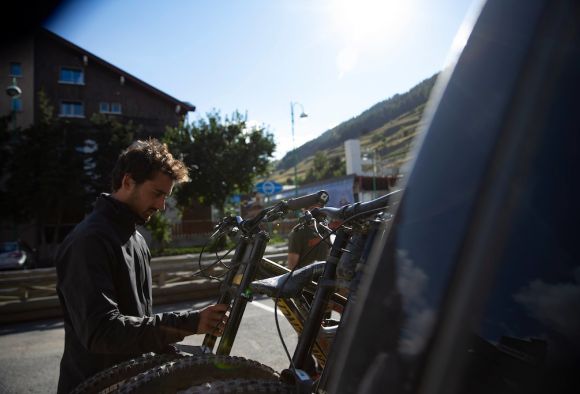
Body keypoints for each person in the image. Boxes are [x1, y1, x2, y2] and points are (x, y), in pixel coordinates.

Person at [55, 138, 228, 393]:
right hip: (95, 385)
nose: (161, 206)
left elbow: (139, 322)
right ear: (127, 182)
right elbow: (102, 331)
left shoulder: (136, 240)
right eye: (157, 194)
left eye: (165, 197)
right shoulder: (88, 241)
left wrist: (173, 356)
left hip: (133, 383)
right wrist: (189, 322)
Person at [287, 203, 330, 270]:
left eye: (320, 208)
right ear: (305, 210)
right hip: (305, 276)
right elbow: (292, 266)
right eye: (313, 208)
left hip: (324, 275)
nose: (318, 211)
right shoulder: (298, 232)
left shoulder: (326, 229)